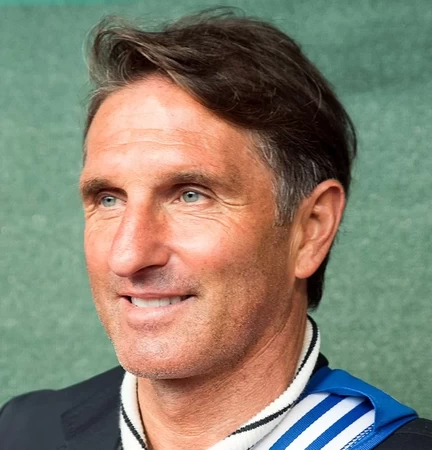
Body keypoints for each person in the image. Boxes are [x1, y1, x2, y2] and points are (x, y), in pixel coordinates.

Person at [0, 8, 430, 450]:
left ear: (310, 230)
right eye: (109, 199)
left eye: (191, 195)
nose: (127, 255)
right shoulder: (22, 433)